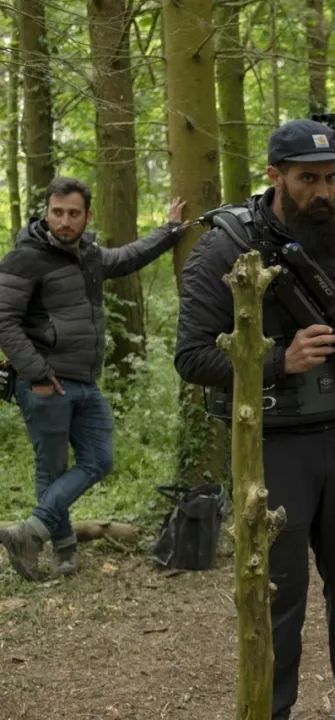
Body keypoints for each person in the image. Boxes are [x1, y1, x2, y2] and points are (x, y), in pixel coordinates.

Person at [174, 119, 335, 720]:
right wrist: (278, 360)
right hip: (271, 444)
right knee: (279, 588)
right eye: (309, 179)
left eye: (332, 179)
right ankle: (270, 707)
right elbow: (192, 356)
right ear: (275, 176)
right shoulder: (224, 249)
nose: (324, 191)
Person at [0, 177, 183, 580]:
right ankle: (63, 548)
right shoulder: (25, 258)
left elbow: (129, 257)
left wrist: (170, 231)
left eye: (73, 213)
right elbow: (4, 320)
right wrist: (38, 374)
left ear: (87, 216)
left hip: (84, 380)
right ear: (46, 212)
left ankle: (30, 533)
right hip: (45, 382)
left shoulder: (89, 255)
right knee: (51, 468)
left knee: (99, 460)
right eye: (57, 212)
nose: (64, 221)